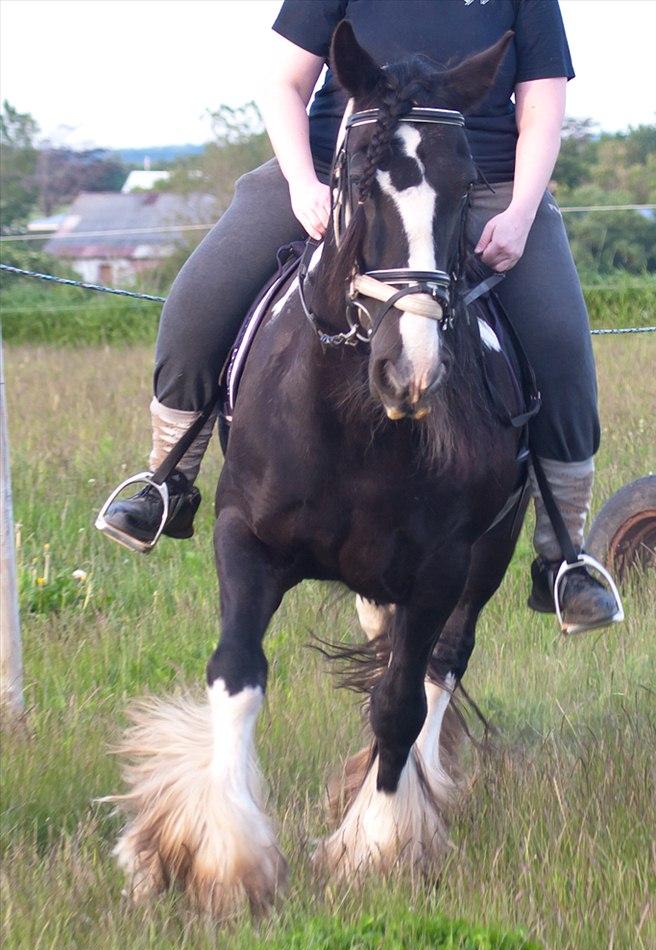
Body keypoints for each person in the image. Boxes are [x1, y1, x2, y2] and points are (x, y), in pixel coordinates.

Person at [98, 0, 620, 632]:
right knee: (197, 300)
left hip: (475, 184)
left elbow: (541, 109)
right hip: (338, 169)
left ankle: (562, 556)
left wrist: (520, 214)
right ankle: (168, 480)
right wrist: (301, 183)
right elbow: (285, 80)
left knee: (562, 345)